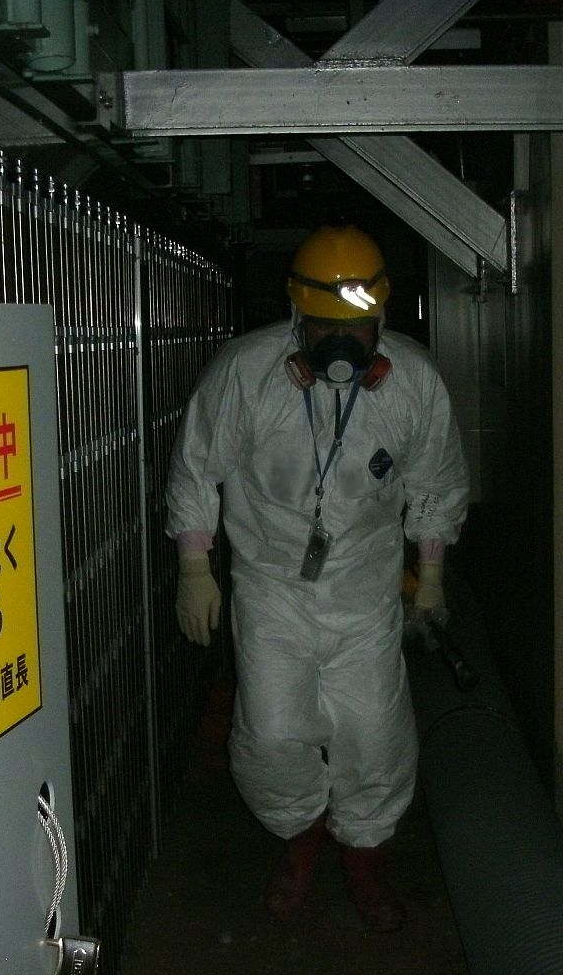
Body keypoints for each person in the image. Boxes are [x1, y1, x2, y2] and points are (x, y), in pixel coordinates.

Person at [165, 224, 469, 932]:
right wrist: (193, 566)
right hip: (272, 587)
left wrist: (430, 575)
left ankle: (365, 859)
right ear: (298, 315)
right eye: (326, 327)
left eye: (357, 328)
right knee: (273, 732)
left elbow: (437, 484)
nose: (343, 346)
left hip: (365, 592)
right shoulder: (245, 373)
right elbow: (196, 468)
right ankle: (300, 844)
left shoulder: (413, 383)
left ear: (380, 319)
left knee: (374, 733)